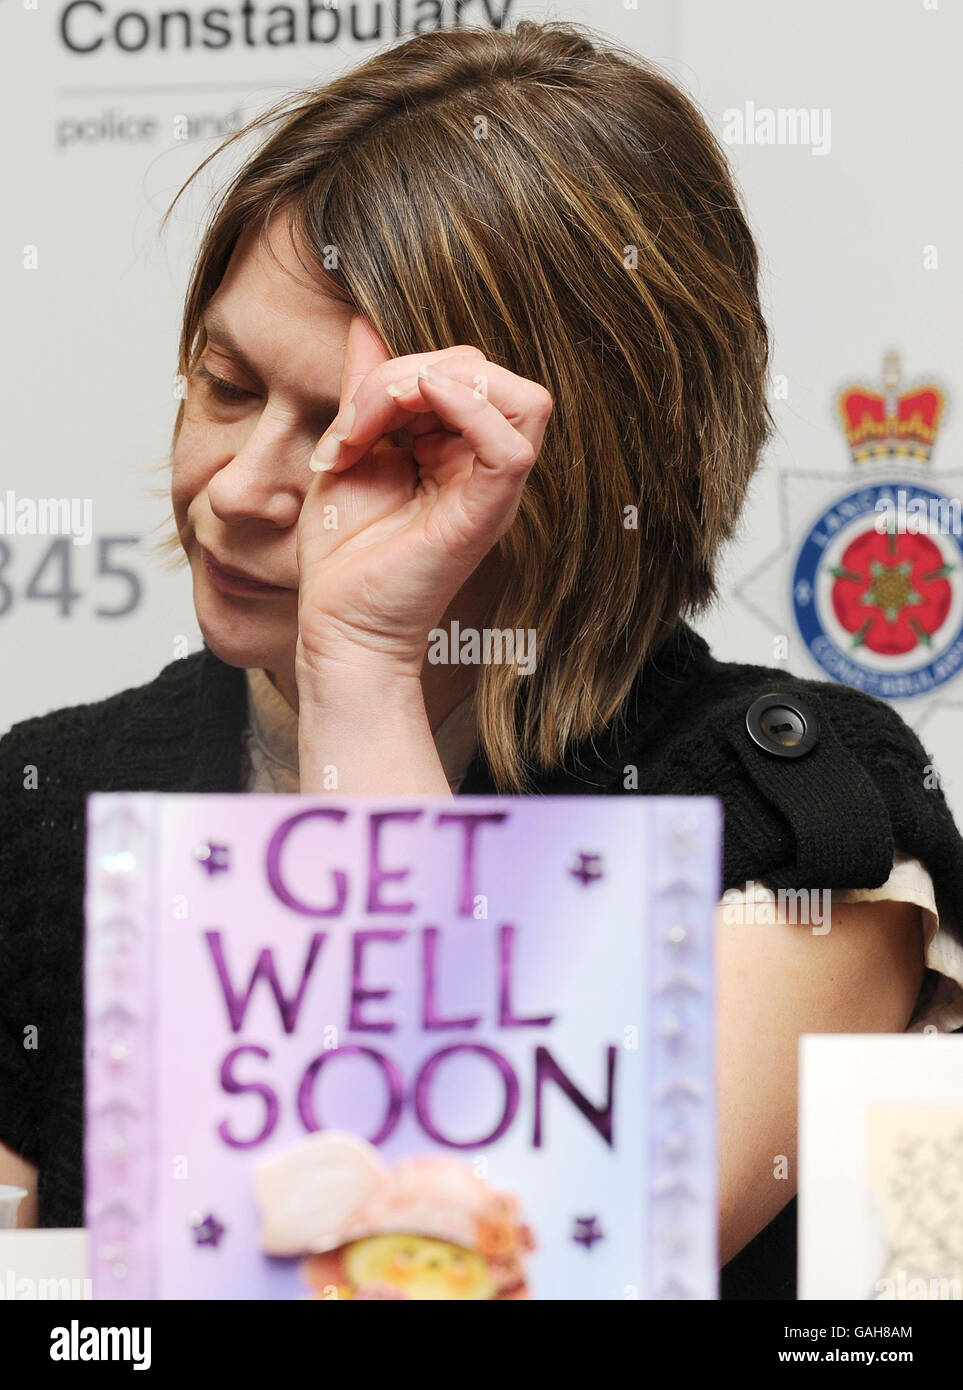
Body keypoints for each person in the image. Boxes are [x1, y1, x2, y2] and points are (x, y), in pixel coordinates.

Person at [2, 19, 962, 1300]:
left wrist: (362, 666)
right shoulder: (56, 797)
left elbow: (463, 1276)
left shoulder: (784, 819)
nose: (235, 489)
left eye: (367, 443)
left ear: (568, 474)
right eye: (227, 385)